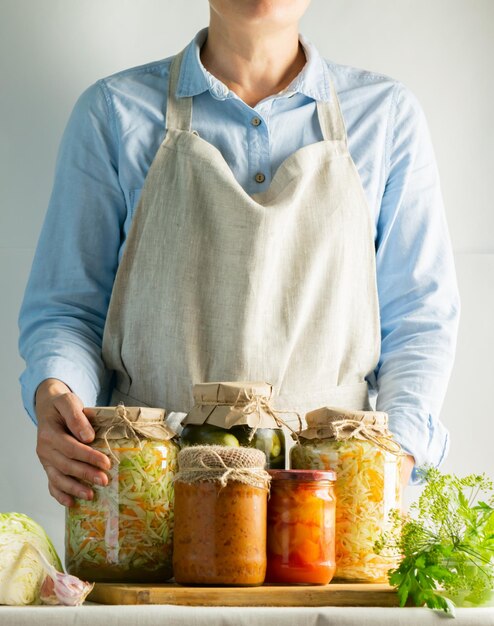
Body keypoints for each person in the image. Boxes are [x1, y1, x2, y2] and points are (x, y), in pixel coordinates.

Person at [19, 0, 460, 508]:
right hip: (151, 500)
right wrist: (57, 394)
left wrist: (397, 453)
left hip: (334, 499)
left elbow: (419, 318)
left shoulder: (385, 117)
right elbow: (70, 309)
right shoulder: (114, 113)